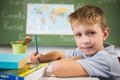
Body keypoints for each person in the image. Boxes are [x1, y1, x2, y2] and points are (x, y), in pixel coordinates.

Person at [30, 5, 120, 80]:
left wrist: (75, 59)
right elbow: (58, 54)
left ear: (104, 34)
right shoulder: (87, 50)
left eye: (91, 33)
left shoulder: (104, 59)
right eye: (78, 35)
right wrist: (42, 57)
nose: (85, 41)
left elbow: (58, 69)